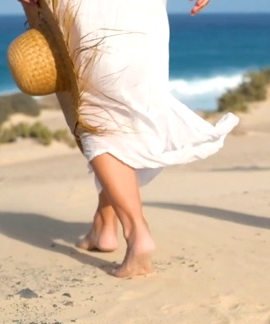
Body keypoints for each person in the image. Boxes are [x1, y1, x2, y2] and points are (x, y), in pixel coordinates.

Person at [18, 0, 239, 278]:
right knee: (125, 115)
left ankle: (137, 234)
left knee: (97, 123)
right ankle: (104, 226)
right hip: (143, 12)